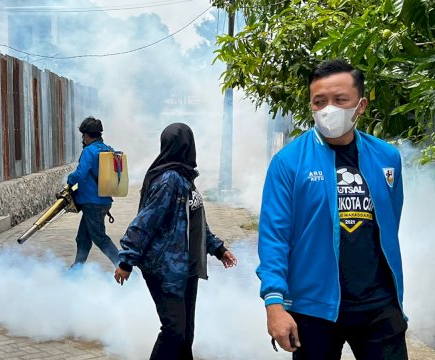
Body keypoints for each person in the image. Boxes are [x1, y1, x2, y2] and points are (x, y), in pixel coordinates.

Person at [257, 59, 407, 359]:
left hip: (379, 306)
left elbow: (391, 221)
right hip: (313, 309)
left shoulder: (387, 157)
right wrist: (274, 304)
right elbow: (274, 238)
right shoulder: (288, 163)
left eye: (340, 100)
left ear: (361, 105)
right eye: (319, 101)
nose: (329, 109)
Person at [114, 123, 237, 360]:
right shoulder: (169, 179)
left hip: (186, 269)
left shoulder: (184, 178)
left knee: (185, 335)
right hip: (165, 269)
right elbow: (145, 221)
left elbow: (194, 221)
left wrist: (218, 249)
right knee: (174, 332)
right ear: (187, 146)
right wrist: (127, 260)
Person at [67, 116, 120, 268]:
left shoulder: (89, 151)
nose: (83, 139)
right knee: (82, 238)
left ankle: (123, 267)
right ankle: (76, 270)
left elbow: (80, 173)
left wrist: (69, 179)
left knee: (100, 238)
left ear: (87, 135)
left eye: (83, 135)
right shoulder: (109, 149)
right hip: (104, 201)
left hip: (92, 202)